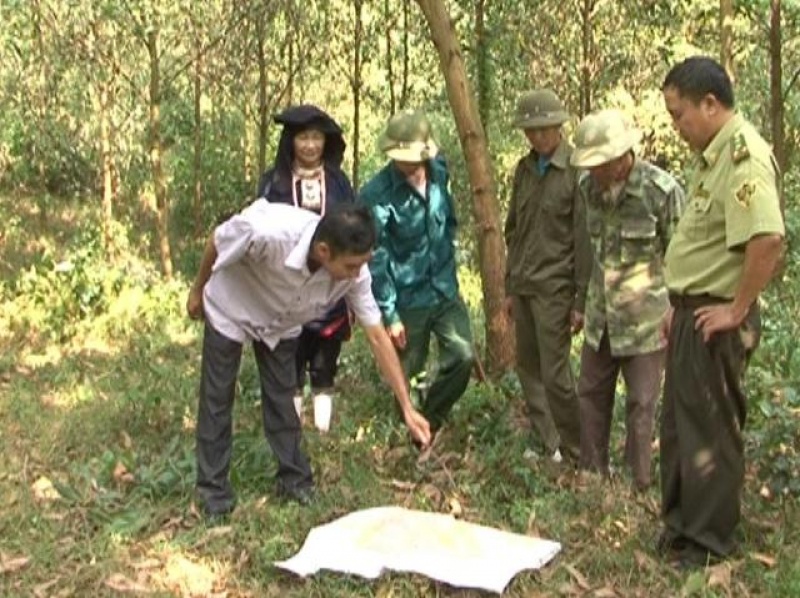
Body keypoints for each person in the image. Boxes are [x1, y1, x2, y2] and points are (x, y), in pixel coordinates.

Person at [186, 202, 431, 516]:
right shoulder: (268, 232)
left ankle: (295, 482)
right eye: (351, 266)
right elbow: (217, 242)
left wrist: (407, 407)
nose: (357, 274)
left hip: (281, 323)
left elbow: (377, 336)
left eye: (362, 265)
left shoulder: (354, 272)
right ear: (325, 251)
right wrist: (197, 291)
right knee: (217, 399)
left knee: (283, 401)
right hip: (232, 307)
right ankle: (213, 493)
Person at [659, 56, 785, 566]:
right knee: (680, 429)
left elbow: (768, 238)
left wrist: (736, 308)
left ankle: (710, 544)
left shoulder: (743, 157)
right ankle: (682, 530)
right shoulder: (711, 158)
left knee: (711, 432)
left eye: (679, 114)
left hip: (717, 318)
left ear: (710, 104)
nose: (676, 126)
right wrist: (679, 303)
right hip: (692, 313)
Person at [570, 109, 685, 490]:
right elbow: (591, 251)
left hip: (647, 323)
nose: (596, 172)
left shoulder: (661, 192)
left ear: (623, 157)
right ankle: (592, 475)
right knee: (590, 395)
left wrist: (675, 312)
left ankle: (639, 485)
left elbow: (682, 258)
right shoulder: (588, 190)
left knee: (642, 404)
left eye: (601, 164)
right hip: (601, 317)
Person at [360, 109, 474, 437]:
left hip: (444, 289)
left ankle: (431, 418)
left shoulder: (439, 172)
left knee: (462, 357)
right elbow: (376, 259)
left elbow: (449, 222)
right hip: (408, 298)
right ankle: (408, 430)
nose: (411, 164)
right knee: (408, 372)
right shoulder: (377, 195)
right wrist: (390, 314)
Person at [504, 89, 591, 463]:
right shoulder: (524, 171)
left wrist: (580, 300)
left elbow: (583, 240)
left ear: (559, 126)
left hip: (556, 289)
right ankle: (548, 443)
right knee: (528, 368)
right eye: (531, 130)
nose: (537, 137)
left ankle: (576, 449)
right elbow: (513, 230)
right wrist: (509, 287)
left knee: (556, 375)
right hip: (523, 285)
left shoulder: (576, 171)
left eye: (544, 129)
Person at [256, 104, 354, 431]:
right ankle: (294, 433)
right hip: (287, 291)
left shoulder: (339, 183)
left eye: (316, 138)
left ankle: (323, 435)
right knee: (291, 367)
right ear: (290, 142)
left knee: (325, 366)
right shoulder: (274, 184)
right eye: (303, 138)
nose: (310, 145)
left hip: (331, 291)